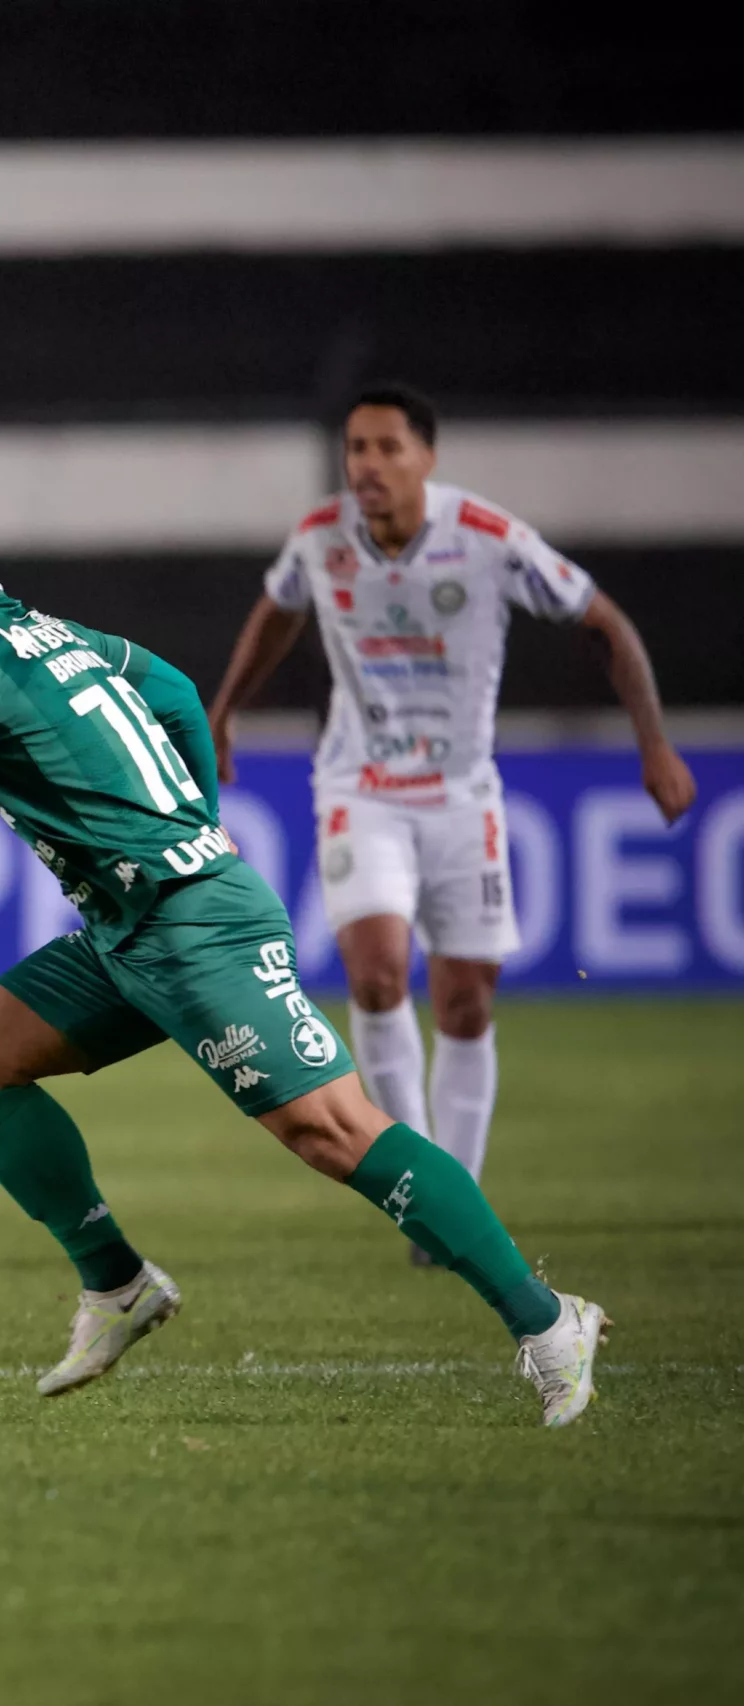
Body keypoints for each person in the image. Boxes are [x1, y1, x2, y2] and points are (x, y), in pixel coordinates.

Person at [0, 486, 607, 1427]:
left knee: (334, 1130)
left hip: (193, 925)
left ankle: (550, 1322)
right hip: (129, 926)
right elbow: (179, 693)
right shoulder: (58, 636)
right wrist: (199, 825)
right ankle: (118, 1285)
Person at [206, 385, 694, 1250]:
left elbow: (606, 623)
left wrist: (654, 745)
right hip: (359, 789)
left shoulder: (488, 538)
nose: (368, 465)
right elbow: (279, 609)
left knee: (466, 1001)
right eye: (357, 448)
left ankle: (456, 1198)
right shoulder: (320, 538)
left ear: (427, 458)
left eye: (388, 448)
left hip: (464, 798)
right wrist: (224, 712)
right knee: (377, 975)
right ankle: (423, 1197)